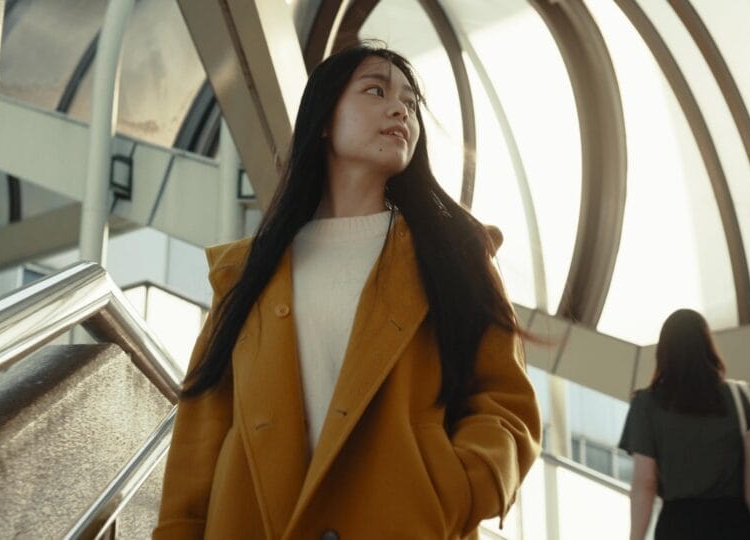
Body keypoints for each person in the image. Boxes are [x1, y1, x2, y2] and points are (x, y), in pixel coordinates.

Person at [153, 43, 542, 540]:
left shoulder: (455, 256)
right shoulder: (247, 271)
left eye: (410, 102)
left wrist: (458, 488)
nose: (400, 110)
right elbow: (201, 430)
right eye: (376, 91)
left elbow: (505, 401)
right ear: (323, 119)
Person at [619, 309, 750, 540]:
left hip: (678, 527)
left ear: (664, 352)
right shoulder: (742, 396)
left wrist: (635, 537)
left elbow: (645, 483)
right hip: (736, 525)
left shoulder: (646, 404)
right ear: (708, 347)